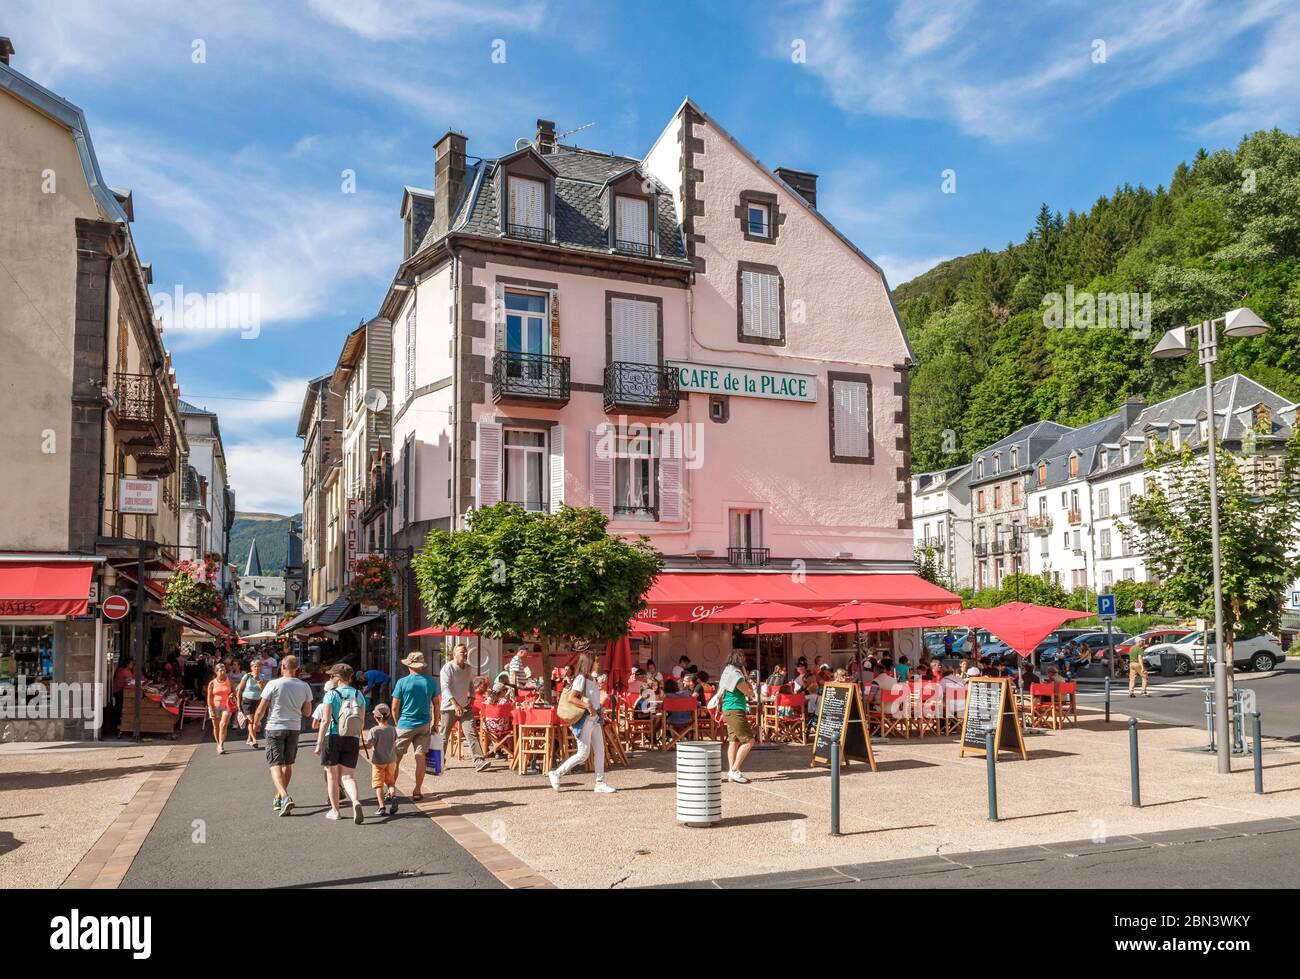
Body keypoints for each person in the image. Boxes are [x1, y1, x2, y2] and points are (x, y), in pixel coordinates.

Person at [252, 655, 313, 817]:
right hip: (294, 727)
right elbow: (307, 712)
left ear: (282, 667)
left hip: (275, 726)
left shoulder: (273, 684)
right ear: (296, 669)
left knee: (274, 764)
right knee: (288, 763)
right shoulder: (304, 686)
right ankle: (279, 797)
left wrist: (256, 722)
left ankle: (284, 796)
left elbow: (261, 708)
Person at [549, 650, 614, 793]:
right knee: (583, 754)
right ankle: (556, 773)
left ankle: (600, 783)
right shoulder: (581, 678)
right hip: (585, 720)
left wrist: (598, 712)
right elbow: (571, 698)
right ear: (589, 663)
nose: (598, 663)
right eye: (596, 661)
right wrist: (588, 706)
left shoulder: (592, 679)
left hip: (595, 720)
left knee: (600, 751)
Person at [315, 663, 367, 823]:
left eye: (333, 675)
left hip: (333, 736)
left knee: (332, 776)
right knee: (348, 776)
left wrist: (318, 742)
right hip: (352, 737)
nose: (332, 678)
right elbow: (362, 722)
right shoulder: (359, 695)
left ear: (338, 677)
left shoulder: (331, 695)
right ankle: (355, 801)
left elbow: (324, 720)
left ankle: (335, 811)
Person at [390, 651, 440, 802]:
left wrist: (396, 722)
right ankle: (417, 790)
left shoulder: (402, 682)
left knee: (396, 759)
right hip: (424, 724)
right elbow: (436, 705)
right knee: (420, 757)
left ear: (409, 665)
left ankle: (391, 790)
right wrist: (435, 724)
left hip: (405, 723)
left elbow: (394, 707)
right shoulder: (430, 681)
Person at [439, 643, 490, 773]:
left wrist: (472, 697)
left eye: (466, 651)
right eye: (462, 652)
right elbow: (445, 688)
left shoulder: (468, 668)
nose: (465, 654)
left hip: (465, 707)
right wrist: (455, 704)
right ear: (454, 653)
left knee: (471, 733)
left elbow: (470, 684)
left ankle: (479, 762)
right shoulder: (447, 668)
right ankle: (439, 762)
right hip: (449, 708)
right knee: (444, 737)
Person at [715, 651, 756, 783]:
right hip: (735, 708)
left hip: (728, 708)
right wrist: (749, 681)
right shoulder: (736, 675)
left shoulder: (727, 671)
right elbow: (748, 692)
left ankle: (732, 771)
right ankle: (734, 770)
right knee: (749, 741)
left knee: (734, 741)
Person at [364, 703, 399, 816]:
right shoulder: (392, 729)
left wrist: (358, 746)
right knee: (390, 781)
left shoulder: (374, 730)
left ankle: (382, 807)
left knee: (378, 785)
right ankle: (393, 796)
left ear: (376, 717)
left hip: (379, 761)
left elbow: (369, 745)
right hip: (391, 760)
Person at [205, 662, 235, 755]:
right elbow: (209, 697)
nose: (223, 672)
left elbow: (234, 691)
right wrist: (211, 709)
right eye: (220, 670)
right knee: (216, 726)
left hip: (227, 706)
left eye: (224, 670)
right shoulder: (212, 683)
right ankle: (218, 743)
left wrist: (232, 694)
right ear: (216, 672)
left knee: (223, 725)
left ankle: (221, 745)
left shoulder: (230, 681)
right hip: (215, 706)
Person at [237, 659, 264, 748]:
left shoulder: (262, 677)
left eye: (258, 666)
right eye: (255, 666)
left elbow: (265, 691)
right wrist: (238, 701)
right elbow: (240, 689)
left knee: (255, 722)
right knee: (251, 721)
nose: (257, 668)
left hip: (258, 701)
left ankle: (249, 739)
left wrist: (261, 685)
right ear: (251, 667)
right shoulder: (247, 676)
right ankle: (254, 740)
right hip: (246, 701)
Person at [111, 656, 134, 736]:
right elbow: (129, 684)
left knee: (118, 708)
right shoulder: (126, 671)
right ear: (127, 664)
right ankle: (118, 724)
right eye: (131, 663)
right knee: (120, 708)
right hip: (120, 691)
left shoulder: (120, 669)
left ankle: (116, 724)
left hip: (116, 691)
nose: (132, 665)